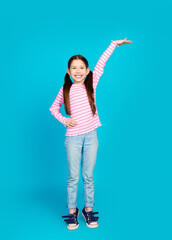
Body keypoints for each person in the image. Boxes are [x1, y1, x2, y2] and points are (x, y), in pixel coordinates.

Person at [49, 38, 132, 230]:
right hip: (72, 139)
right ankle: (72, 212)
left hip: (91, 136)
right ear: (68, 71)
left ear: (87, 71)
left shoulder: (91, 84)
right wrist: (64, 120)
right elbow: (53, 108)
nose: (78, 71)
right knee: (73, 177)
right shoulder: (65, 89)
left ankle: (88, 209)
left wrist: (114, 44)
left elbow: (101, 62)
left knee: (88, 176)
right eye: (73, 68)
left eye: (81, 68)